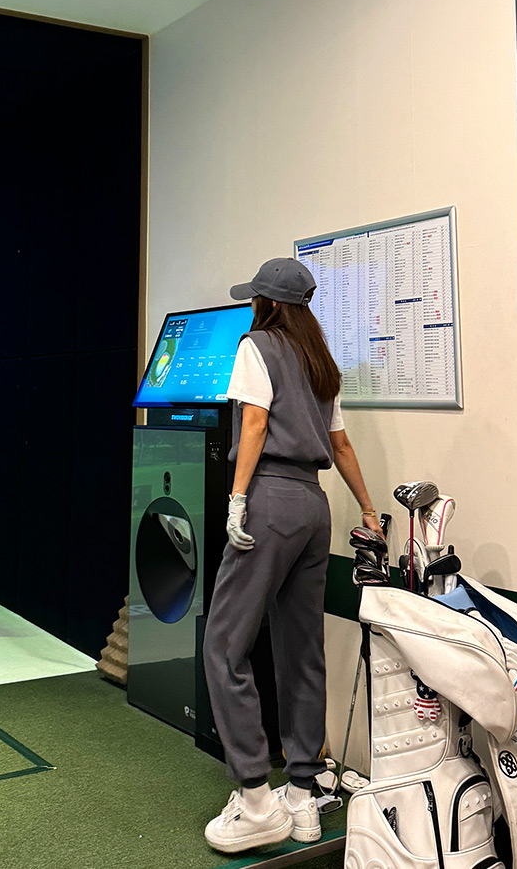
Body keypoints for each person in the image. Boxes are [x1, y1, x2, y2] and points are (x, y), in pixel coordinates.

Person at [203, 257, 384, 853]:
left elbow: (254, 424)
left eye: (256, 298)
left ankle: (256, 799)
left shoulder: (256, 345)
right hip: (314, 506)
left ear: (271, 304)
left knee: (224, 646)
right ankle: (303, 797)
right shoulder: (319, 362)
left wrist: (237, 500)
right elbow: (340, 444)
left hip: (271, 501)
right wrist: (368, 509)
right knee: (302, 651)